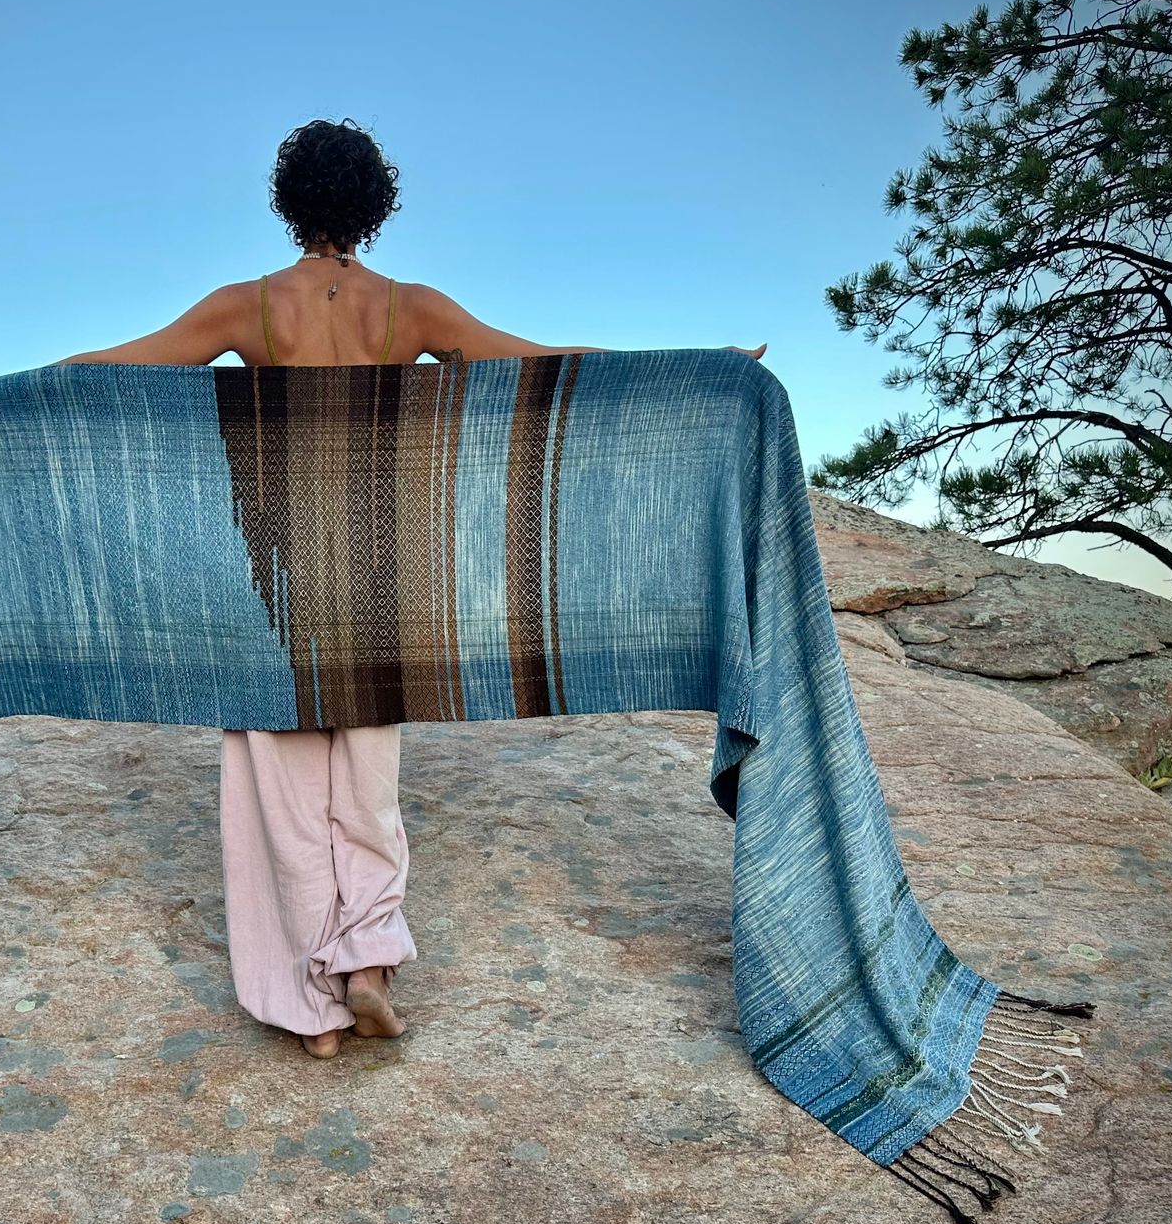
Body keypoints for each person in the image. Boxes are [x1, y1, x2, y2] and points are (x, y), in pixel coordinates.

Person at [44, 117, 765, 1060]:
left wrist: (7, 390)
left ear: (290, 202)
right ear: (375, 205)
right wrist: (697, 370)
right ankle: (369, 964)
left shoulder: (243, 308)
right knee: (368, 781)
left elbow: (116, 369)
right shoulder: (410, 308)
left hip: (272, 578)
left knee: (285, 787)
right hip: (385, 571)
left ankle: (316, 1009)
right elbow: (543, 366)